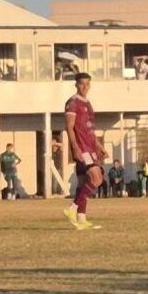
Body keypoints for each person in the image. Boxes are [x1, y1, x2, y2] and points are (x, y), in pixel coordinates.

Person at [62, 73, 104, 230]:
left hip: (90, 147)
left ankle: (81, 219)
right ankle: (71, 209)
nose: (85, 87)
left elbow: (90, 130)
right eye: (82, 84)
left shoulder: (88, 103)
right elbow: (69, 127)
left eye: (87, 84)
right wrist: (75, 147)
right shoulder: (72, 103)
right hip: (82, 147)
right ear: (76, 85)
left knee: (84, 182)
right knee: (97, 179)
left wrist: (99, 147)